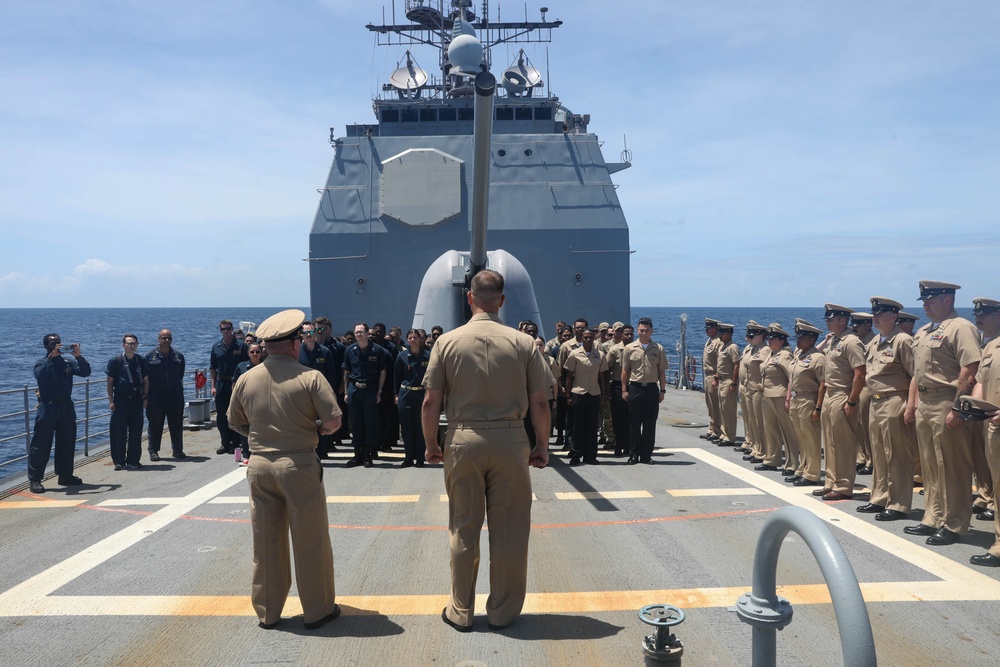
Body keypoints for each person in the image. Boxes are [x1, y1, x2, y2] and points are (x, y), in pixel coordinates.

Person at [421, 270, 551, 632]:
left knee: (464, 527)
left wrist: (431, 444)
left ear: (470, 298)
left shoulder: (446, 342)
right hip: (510, 441)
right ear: (503, 300)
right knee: (509, 529)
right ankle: (503, 611)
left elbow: (431, 400)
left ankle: (461, 610)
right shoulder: (523, 343)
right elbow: (540, 402)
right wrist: (541, 444)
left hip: (464, 438)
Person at [227, 309, 342, 630]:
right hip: (299, 464)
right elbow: (333, 421)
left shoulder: (246, 378)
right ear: (293, 344)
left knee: (266, 543)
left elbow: (234, 421)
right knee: (310, 541)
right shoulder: (310, 377)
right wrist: (317, 428)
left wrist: (261, 434)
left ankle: (267, 612)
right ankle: (317, 610)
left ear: (266, 346)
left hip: (260, 465)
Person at [903, 281, 980, 545]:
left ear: (947, 300)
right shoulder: (925, 331)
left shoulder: (961, 328)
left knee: (952, 466)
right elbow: (916, 372)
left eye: (931, 299)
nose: (925, 303)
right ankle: (933, 517)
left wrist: (958, 407)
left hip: (947, 402)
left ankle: (956, 523)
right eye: (924, 299)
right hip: (925, 402)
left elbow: (969, 369)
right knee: (930, 465)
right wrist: (912, 403)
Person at [858, 297, 914, 521]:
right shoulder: (875, 342)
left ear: (894, 316)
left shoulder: (903, 341)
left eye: (880, 314)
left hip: (894, 401)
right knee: (879, 454)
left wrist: (910, 406)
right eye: (874, 314)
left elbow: (914, 375)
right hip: (876, 401)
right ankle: (880, 497)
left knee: (897, 455)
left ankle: (899, 504)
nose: (875, 318)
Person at [26, 334, 92, 493]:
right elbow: (40, 377)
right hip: (48, 408)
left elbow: (85, 372)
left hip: (66, 407)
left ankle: (65, 475)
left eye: (58, 342)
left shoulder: (67, 363)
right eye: (52, 343)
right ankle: (35, 479)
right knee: (41, 444)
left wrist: (79, 357)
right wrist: (50, 359)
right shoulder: (42, 363)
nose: (56, 345)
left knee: (67, 442)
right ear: (46, 346)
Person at [816, 304, 866, 501]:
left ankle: (844, 485)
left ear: (842, 320)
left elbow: (860, 373)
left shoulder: (851, 342)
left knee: (843, 443)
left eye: (831, 319)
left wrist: (852, 401)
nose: (828, 322)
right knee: (830, 442)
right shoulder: (834, 341)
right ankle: (831, 482)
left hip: (842, 395)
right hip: (830, 394)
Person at [967, 297, 1000, 566]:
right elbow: (980, 381)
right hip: (992, 427)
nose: (979, 318)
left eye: (985, 314)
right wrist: (975, 405)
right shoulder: (989, 346)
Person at [342, 322, 390, 468]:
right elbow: (346, 372)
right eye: (356, 332)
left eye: (361, 332)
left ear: (367, 333)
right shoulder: (349, 350)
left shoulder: (377, 350)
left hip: (370, 390)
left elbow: (383, 371)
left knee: (370, 423)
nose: (358, 335)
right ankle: (357, 455)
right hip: (354, 389)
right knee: (355, 423)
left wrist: (379, 391)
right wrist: (345, 391)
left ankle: (368, 455)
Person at [621, 317, 668, 464]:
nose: (644, 333)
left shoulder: (658, 349)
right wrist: (624, 389)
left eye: (647, 330)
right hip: (635, 388)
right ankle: (634, 454)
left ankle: (646, 455)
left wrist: (662, 390)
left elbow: (661, 371)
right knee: (634, 423)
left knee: (649, 424)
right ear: (637, 330)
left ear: (651, 331)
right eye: (641, 330)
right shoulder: (630, 349)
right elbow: (625, 370)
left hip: (652, 390)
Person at [786, 321, 826, 486]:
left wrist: (818, 407)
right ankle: (802, 469)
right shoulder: (799, 355)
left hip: (809, 399)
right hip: (796, 399)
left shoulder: (818, 358)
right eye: (797, 336)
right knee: (800, 437)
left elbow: (823, 383)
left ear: (811, 339)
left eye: (801, 337)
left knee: (810, 438)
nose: (798, 340)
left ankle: (812, 473)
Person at [564, 328, 607, 465]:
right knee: (578, 426)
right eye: (585, 337)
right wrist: (568, 395)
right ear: (581, 339)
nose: (588, 340)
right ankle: (576, 454)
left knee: (592, 427)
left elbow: (602, 378)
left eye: (590, 337)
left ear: (594, 338)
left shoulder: (600, 355)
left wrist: (604, 396)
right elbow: (569, 377)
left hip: (594, 394)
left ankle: (590, 456)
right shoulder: (574, 354)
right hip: (578, 394)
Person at [106, 334, 149, 471]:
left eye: (134, 343)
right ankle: (119, 461)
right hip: (120, 400)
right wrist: (111, 400)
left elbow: (146, 380)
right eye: (130, 343)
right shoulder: (116, 361)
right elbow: (110, 381)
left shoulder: (141, 360)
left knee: (136, 432)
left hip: (136, 400)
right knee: (119, 432)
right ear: (123, 345)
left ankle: (133, 460)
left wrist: (145, 398)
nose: (132, 346)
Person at [298, 320, 339, 459]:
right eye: (306, 332)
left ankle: (321, 451)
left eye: (311, 332)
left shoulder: (325, 352)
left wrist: (330, 395)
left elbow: (332, 375)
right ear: (301, 335)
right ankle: (305, 450)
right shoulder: (296, 352)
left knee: (322, 422)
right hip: (301, 394)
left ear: (315, 333)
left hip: (320, 394)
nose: (308, 335)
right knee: (304, 422)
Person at [758, 325, 797, 473]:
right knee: (770, 429)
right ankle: (771, 459)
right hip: (767, 395)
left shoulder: (785, 355)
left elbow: (791, 378)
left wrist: (789, 399)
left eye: (773, 338)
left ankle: (792, 464)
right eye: (768, 338)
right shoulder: (772, 354)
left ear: (781, 340)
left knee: (788, 431)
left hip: (780, 396)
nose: (769, 341)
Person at [145, 329, 186, 461]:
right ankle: (153, 450)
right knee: (155, 424)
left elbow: (180, 374)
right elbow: (145, 377)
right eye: (164, 338)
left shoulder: (178, 356)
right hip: (156, 396)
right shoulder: (150, 356)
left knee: (176, 423)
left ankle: (178, 450)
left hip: (174, 395)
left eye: (169, 338)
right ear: (158, 339)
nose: (166, 340)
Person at [210, 320, 249, 455]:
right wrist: (213, 386)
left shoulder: (242, 346)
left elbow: (246, 366)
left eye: (228, 329)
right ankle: (224, 443)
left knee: (236, 413)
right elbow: (213, 368)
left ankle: (235, 442)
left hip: (236, 383)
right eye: (223, 329)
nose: (225, 331)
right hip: (221, 383)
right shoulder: (216, 346)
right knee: (221, 415)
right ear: (220, 330)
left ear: (232, 329)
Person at [395, 329, 430, 467]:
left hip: (421, 394)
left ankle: (420, 458)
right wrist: (396, 395)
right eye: (410, 338)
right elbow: (396, 377)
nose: (412, 340)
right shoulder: (402, 356)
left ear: (420, 339)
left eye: (415, 337)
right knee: (406, 428)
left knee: (420, 427)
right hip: (406, 394)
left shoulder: (427, 356)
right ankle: (408, 457)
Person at [852, 312, 877, 476]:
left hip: (868, 387)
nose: (855, 327)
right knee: (859, 425)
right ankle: (861, 456)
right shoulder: (857, 342)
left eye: (858, 324)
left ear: (868, 325)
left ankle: (871, 460)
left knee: (868, 426)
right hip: (857, 387)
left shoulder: (872, 342)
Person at [232, 341, 265, 462]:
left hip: (263, 402)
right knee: (245, 428)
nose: (255, 354)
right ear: (248, 353)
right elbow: (235, 384)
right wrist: (234, 401)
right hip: (245, 402)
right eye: (252, 352)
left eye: (257, 351)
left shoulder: (267, 365)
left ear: (261, 353)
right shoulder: (241, 366)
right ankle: (247, 455)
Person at [713, 323, 740, 447]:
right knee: (722, 409)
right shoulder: (723, 347)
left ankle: (730, 437)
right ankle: (724, 434)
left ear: (728, 334)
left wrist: (734, 383)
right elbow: (720, 365)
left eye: (721, 334)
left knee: (728, 410)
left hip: (729, 380)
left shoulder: (732, 347)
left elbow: (736, 365)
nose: (719, 336)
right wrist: (716, 378)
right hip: (722, 380)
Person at [702, 319, 723, 442]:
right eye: (706, 328)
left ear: (715, 329)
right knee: (710, 405)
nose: (707, 330)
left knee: (715, 405)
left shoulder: (718, 342)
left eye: (709, 328)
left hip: (713, 375)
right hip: (707, 375)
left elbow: (720, 363)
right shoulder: (710, 341)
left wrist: (716, 377)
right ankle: (712, 428)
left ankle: (717, 430)